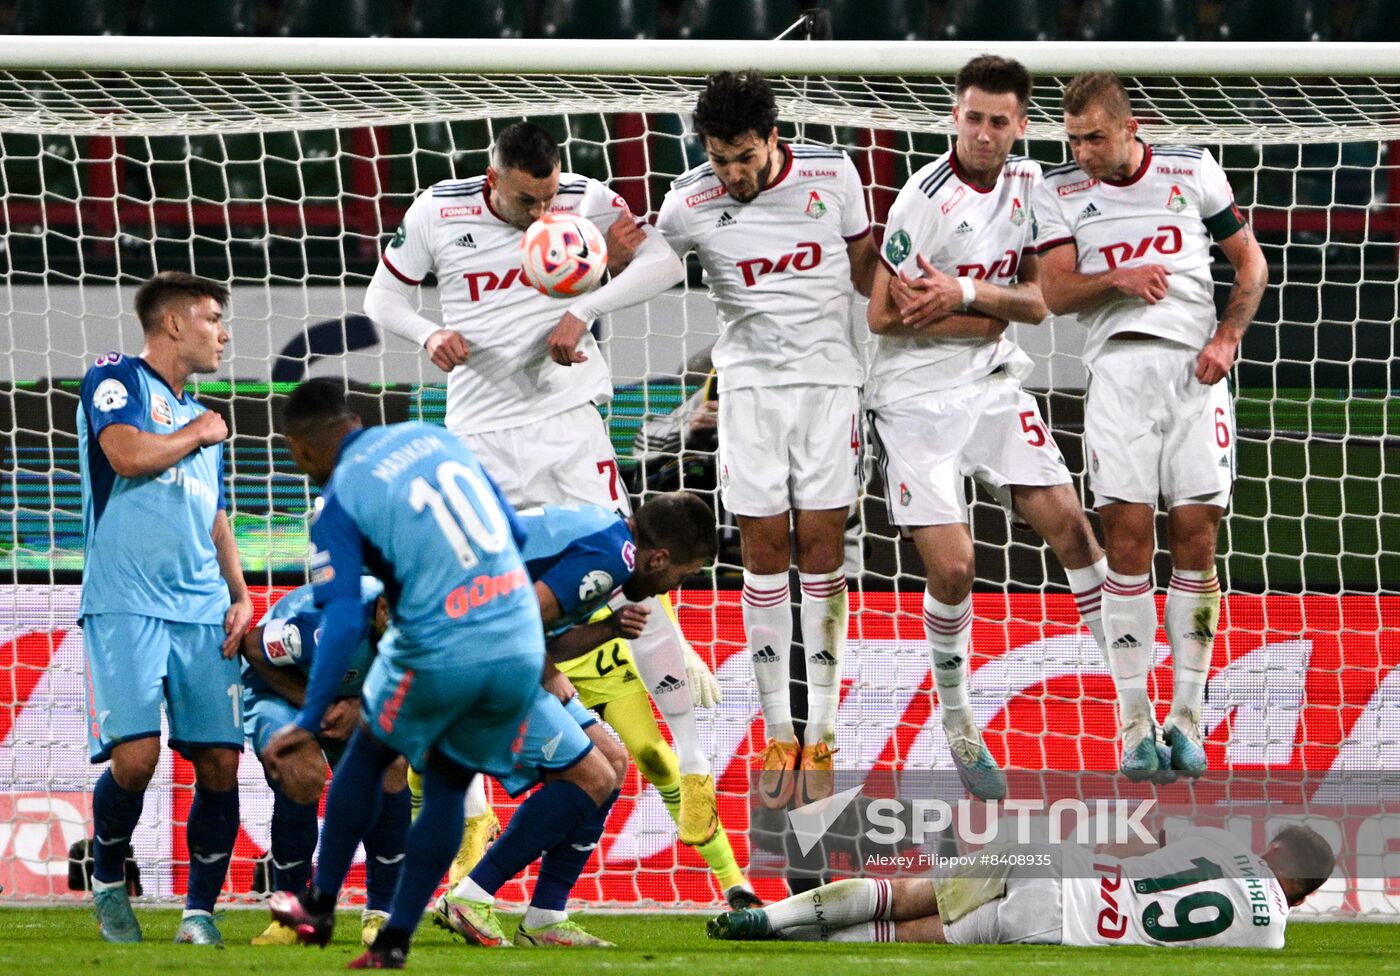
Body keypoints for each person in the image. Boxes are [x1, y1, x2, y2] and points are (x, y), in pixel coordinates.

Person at [365, 119, 720, 859]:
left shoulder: (585, 199)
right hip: (481, 441)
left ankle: (693, 766)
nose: (543, 212)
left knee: (633, 576)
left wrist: (589, 303)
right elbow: (381, 301)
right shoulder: (439, 210)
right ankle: (468, 809)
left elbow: (662, 264)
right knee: (469, 612)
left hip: (569, 425)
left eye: (550, 195)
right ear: (494, 181)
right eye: (529, 200)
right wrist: (427, 336)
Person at [863, 56, 1109, 801]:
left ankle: (1138, 707)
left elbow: (1041, 305)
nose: (983, 132)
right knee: (957, 568)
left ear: (1021, 126)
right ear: (955, 116)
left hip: (994, 387)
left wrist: (962, 297)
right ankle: (958, 717)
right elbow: (883, 316)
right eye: (972, 117)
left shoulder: (1032, 185)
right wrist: (990, 310)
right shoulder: (921, 202)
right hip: (911, 401)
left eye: (998, 121)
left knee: (1075, 531)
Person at [1031, 72, 1269, 780]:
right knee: (1127, 542)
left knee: (1197, 537)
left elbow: (1250, 263)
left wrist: (1227, 338)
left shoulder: (1192, 168)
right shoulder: (1059, 190)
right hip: (1117, 381)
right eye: (1072, 139)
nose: (1083, 151)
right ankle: (1134, 722)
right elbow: (1051, 291)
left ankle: (1187, 718)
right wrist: (1118, 278)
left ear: (1130, 128)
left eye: (1094, 137)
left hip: (1194, 379)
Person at [263, 378, 547, 968]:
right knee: (447, 780)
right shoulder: (434, 437)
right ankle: (394, 940)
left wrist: (311, 716)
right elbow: (517, 534)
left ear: (301, 447)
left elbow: (341, 622)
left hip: (445, 642)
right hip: (520, 639)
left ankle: (317, 905)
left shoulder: (341, 498)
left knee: (368, 754)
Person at [655, 70, 879, 809]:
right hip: (747, 394)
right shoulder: (688, 202)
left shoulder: (833, 174)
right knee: (760, 553)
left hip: (827, 388)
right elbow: (649, 266)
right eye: (719, 159)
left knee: (821, 551)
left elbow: (865, 274)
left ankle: (822, 729)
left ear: (772, 138)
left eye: (743, 157)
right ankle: (779, 729)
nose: (732, 174)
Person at [435, 494, 733, 946]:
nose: (673, 588)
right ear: (660, 557)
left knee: (613, 763)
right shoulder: (610, 556)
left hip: (487, 647)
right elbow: (516, 620)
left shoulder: (610, 538)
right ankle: (471, 896)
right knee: (591, 774)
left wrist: (610, 630)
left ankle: (546, 918)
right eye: (682, 574)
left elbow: (542, 634)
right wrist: (549, 673)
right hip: (463, 655)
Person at [77, 271, 251, 945]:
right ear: (173, 324)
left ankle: (199, 914)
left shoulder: (196, 411)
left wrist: (239, 595)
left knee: (220, 762)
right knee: (137, 757)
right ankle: (109, 875)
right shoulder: (115, 377)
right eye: (212, 319)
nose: (224, 333)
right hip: (126, 602)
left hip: (202, 608)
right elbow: (123, 455)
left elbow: (212, 514)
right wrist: (199, 435)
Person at [707, 824, 1334, 948]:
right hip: (1059, 928)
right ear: (1301, 898)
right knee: (901, 935)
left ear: (1270, 849)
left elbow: (1138, 852)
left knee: (900, 894)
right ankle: (798, 940)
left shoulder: (1222, 845)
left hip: (1055, 863)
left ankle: (770, 918)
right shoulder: (1270, 937)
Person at [239, 577, 411, 949]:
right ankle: (289, 915)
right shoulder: (323, 627)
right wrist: (312, 706)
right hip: (280, 691)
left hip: (352, 699)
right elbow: (252, 644)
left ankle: (381, 911)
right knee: (302, 770)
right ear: (382, 611)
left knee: (391, 765)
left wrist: (361, 707)